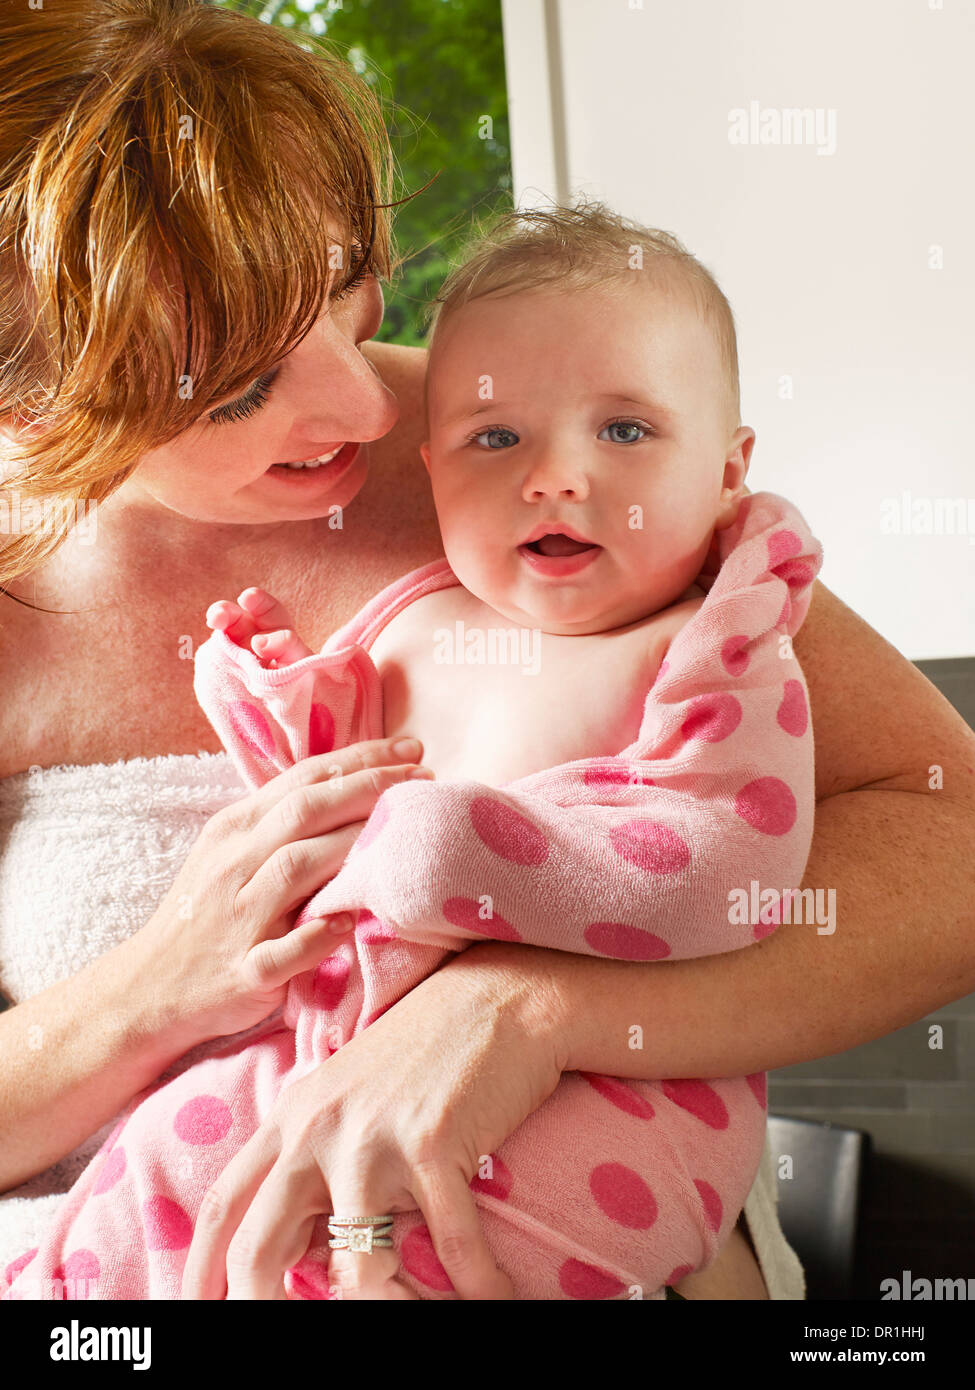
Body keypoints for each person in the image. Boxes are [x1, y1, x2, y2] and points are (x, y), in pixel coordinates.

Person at [1, 0, 973, 1303]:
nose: (363, 402)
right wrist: (152, 987)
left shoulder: (519, 441)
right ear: (28, 404)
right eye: (237, 385)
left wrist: (527, 1013)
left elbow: (952, 840)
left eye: (352, 289)